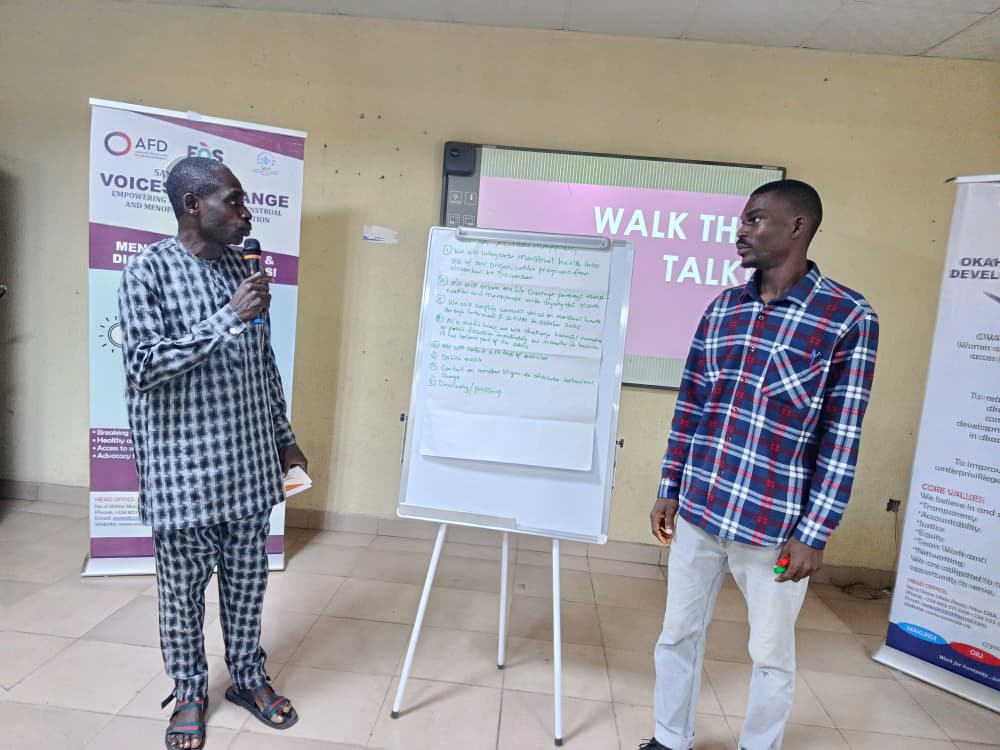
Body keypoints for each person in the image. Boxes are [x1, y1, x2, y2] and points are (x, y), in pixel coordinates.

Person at [642, 179, 879, 750]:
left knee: (770, 655)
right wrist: (670, 485)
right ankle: (669, 739)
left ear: (797, 226)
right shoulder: (723, 307)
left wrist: (815, 533)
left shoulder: (847, 317)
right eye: (743, 219)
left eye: (755, 219)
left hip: (775, 527)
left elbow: (842, 435)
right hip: (700, 510)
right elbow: (692, 403)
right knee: (677, 635)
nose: (740, 230)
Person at [118, 156, 308, 749]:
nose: (247, 213)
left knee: (248, 587)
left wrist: (284, 437)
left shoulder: (240, 271)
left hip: (249, 468)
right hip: (184, 476)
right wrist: (229, 316)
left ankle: (248, 679)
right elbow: (144, 366)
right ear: (193, 205)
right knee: (182, 597)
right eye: (234, 200)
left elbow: (262, 363)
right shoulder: (147, 271)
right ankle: (190, 690)